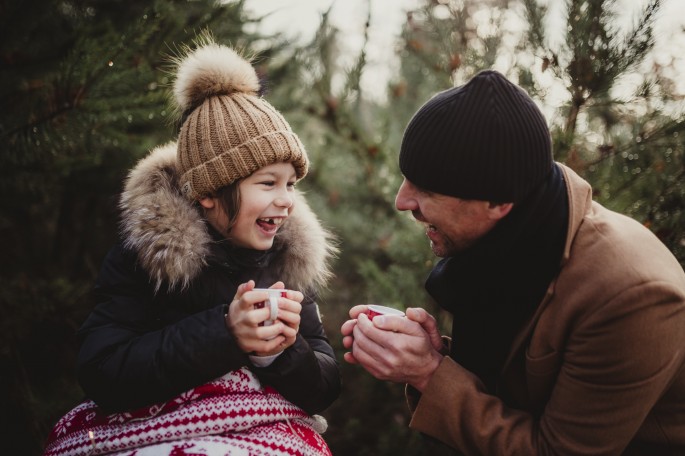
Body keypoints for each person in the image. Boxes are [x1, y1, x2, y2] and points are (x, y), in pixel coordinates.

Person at [341, 70, 685, 455]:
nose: (402, 202)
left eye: (427, 188)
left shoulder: (632, 296)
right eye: (407, 178)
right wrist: (436, 358)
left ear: (498, 203)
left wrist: (429, 374)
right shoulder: (513, 239)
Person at [44, 35, 340, 456]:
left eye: (291, 184)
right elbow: (102, 370)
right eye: (268, 183)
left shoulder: (284, 264)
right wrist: (225, 331)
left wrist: (285, 351)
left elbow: (324, 385)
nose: (287, 199)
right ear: (209, 192)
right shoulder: (149, 258)